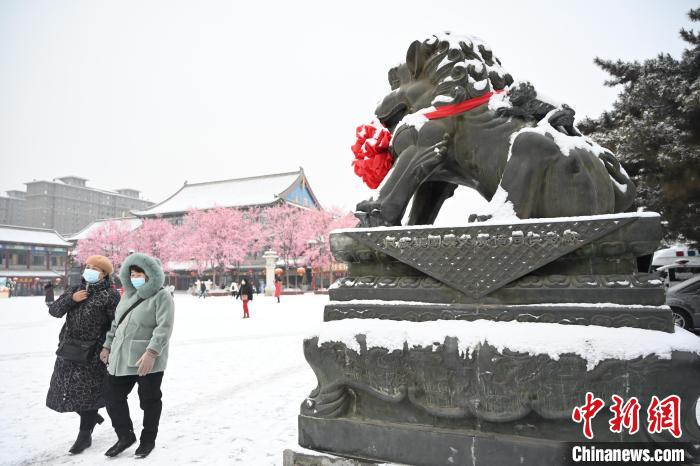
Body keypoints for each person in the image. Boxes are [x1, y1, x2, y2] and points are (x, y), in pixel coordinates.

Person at [100, 252, 175, 458]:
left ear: (152, 274)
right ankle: (125, 435)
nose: (135, 277)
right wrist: (107, 346)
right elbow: (116, 323)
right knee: (112, 396)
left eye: (140, 273)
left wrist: (152, 353)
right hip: (122, 357)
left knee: (149, 400)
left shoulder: (162, 296)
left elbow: (164, 328)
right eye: (132, 273)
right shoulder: (127, 294)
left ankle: (148, 439)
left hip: (147, 360)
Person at [46, 255, 120, 454]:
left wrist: (107, 347)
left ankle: (84, 435)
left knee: (88, 395)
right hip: (68, 350)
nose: (89, 270)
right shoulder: (75, 289)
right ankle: (91, 416)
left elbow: (117, 324)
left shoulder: (110, 296)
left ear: (104, 273)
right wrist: (72, 299)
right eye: (87, 266)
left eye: (95, 268)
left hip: (93, 353)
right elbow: (54, 311)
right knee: (64, 391)